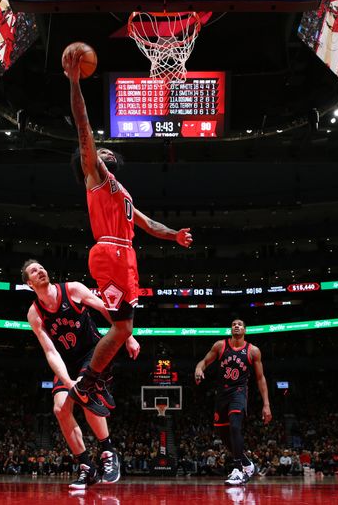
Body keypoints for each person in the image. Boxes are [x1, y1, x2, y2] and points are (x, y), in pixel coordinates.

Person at [62, 47, 193, 417]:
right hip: (111, 251)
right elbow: (83, 125)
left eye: (105, 151)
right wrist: (74, 83)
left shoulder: (122, 192)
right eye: (97, 151)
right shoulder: (96, 176)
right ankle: (88, 383)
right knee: (121, 329)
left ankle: (91, 381)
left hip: (125, 253)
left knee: (122, 329)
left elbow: (149, 224)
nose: (103, 152)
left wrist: (175, 236)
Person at [22, 259, 140, 489]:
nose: (41, 270)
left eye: (42, 267)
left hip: (93, 352)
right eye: (34, 271)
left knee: (84, 395)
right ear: (29, 283)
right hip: (67, 362)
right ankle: (87, 467)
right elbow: (50, 351)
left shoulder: (73, 289)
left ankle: (108, 452)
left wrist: (128, 335)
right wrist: (67, 382)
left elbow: (105, 309)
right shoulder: (34, 313)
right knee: (59, 408)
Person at [194, 318, 272, 485]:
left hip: (239, 392)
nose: (236, 326)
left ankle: (238, 470)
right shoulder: (220, 346)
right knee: (224, 436)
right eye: (233, 324)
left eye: (240, 325)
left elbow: (260, 378)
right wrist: (199, 369)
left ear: (245, 330)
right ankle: (246, 463)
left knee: (235, 426)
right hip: (222, 394)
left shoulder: (253, 351)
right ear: (230, 329)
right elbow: (204, 362)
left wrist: (266, 404)